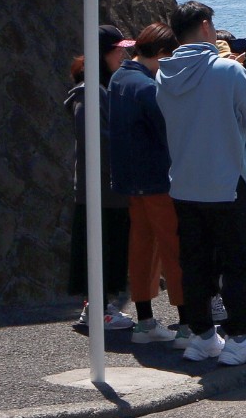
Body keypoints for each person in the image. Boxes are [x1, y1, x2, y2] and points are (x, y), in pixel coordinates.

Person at [155, 1, 246, 367]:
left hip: (185, 184)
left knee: (195, 263)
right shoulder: (227, 71)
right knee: (240, 261)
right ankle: (239, 337)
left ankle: (203, 336)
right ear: (206, 26)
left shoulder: (165, 74)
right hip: (227, 183)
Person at [109, 23, 183, 344]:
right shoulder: (147, 88)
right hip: (158, 180)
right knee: (175, 249)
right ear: (163, 54)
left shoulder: (118, 80)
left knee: (141, 249)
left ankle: (145, 321)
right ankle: (189, 322)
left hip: (130, 180)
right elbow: (169, 133)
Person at [68, 26, 135, 334]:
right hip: (101, 190)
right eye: (117, 49)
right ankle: (99, 310)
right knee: (100, 251)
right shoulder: (90, 92)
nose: (123, 54)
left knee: (108, 250)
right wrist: (122, 173)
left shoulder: (101, 88)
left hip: (106, 189)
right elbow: (99, 143)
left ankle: (98, 308)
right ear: (102, 53)